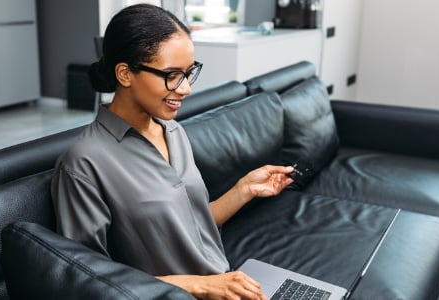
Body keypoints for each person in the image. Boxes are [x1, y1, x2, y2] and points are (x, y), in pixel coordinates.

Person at [51, 4, 294, 300]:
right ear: (125, 74)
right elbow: (90, 281)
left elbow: (191, 226)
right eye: (172, 75)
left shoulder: (173, 132)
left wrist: (244, 190)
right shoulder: (83, 164)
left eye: (189, 73)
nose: (185, 88)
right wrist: (200, 286)